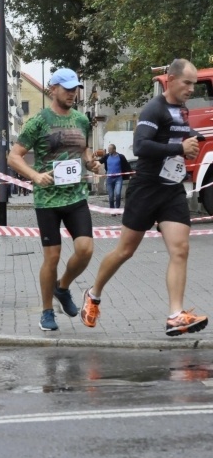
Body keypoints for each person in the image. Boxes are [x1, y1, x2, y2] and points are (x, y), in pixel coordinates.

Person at [81, 58, 208, 336]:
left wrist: (197, 137)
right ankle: (93, 293)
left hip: (171, 189)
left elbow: (181, 132)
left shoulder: (181, 109)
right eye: (187, 83)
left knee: (180, 249)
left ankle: (175, 315)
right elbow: (140, 146)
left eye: (194, 84)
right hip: (146, 188)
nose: (191, 89)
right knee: (125, 251)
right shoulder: (154, 108)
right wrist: (178, 148)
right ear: (171, 80)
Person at [7, 68, 101, 331]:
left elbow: (84, 148)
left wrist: (90, 162)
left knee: (85, 249)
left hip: (76, 196)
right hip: (48, 200)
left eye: (75, 89)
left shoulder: (81, 120)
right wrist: (35, 176)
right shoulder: (38, 122)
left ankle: (63, 287)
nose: (72, 94)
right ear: (53, 90)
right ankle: (47, 311)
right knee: (52, 257)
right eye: (67, 89)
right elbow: (13, 157)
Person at [99, 144, 132, 209]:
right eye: (108, 149)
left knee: (118, 194)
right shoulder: (107, 156)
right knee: (111, 196)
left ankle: (117, 208)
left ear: (114, 149)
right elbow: (100, 161)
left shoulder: (121, 157)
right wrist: (93, 160)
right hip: (109, 179)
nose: (109, 151)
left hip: (118, 179)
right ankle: (112, 209)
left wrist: (130, 174)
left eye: (110, 149)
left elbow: (127, 165)